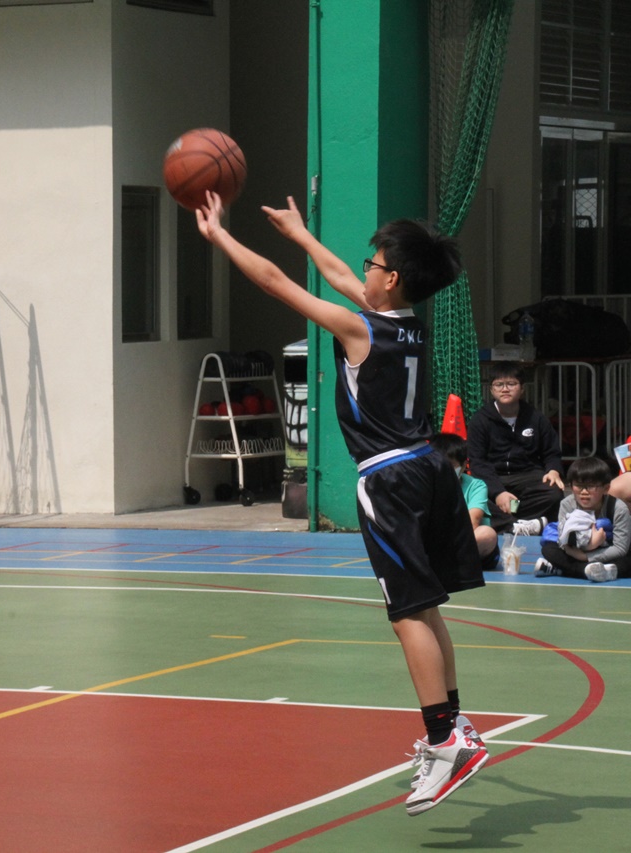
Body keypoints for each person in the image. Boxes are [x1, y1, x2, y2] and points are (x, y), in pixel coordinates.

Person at [195, 192, 488, 816]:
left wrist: (220, 237)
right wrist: (301, 234)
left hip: (389, 479)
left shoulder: (362, 328)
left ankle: (444, 741)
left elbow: (275, 284)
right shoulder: (406, 324)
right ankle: (455, 724)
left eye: (372, 264)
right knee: (426, 606)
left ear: (393, 277)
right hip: (428, 467)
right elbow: (337, 277)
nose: (364, 271)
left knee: (406, 614)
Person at [466, 362, 564, 532]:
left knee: (554, 494)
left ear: (522, 388)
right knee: (473, 498)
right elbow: (478, 462)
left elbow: (552, 452)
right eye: (499, 384)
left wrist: (553, 470)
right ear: (491, 390)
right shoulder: (480, 420)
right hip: (494, 477)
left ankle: (507, 521)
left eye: (511, 384)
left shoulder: (536, 417)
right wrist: (498, 493)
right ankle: (517, 524)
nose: (505, 389)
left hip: (527, 477)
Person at [536, 456, 628, 582]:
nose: (584, 492)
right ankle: (595, 571)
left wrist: (586, 556)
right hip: (576, 551)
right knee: (549, 550)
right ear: (571, 486)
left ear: (606, 488)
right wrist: (588, 546)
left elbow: (620, 548)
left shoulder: (618, 508)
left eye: (591, 486)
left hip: (607, 551)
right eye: (579, 486)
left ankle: (563, 569)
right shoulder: (566, 504)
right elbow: (563, 541)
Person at [430, 433, 500, 572]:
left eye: (450, 465)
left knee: (487, 534)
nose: (443, 470)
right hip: (437, 545)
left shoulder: (476, 486)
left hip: (467, 544)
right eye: (438, 464)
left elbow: (472, 522)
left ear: (463, 466)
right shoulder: (424, 485)